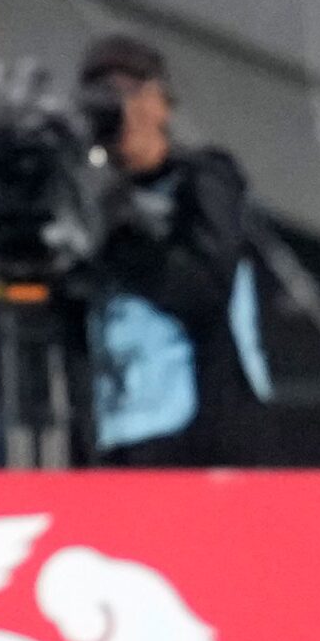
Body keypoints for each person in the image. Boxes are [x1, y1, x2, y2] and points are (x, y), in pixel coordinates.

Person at [79, 35, 271, 467]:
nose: (121, 111)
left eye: (131, 93)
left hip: (204, 421)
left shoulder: (204, 179)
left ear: (161, 103)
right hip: (116, 423)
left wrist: (119, 228)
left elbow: (204, 288)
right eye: (103, 97)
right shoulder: (88, 198)